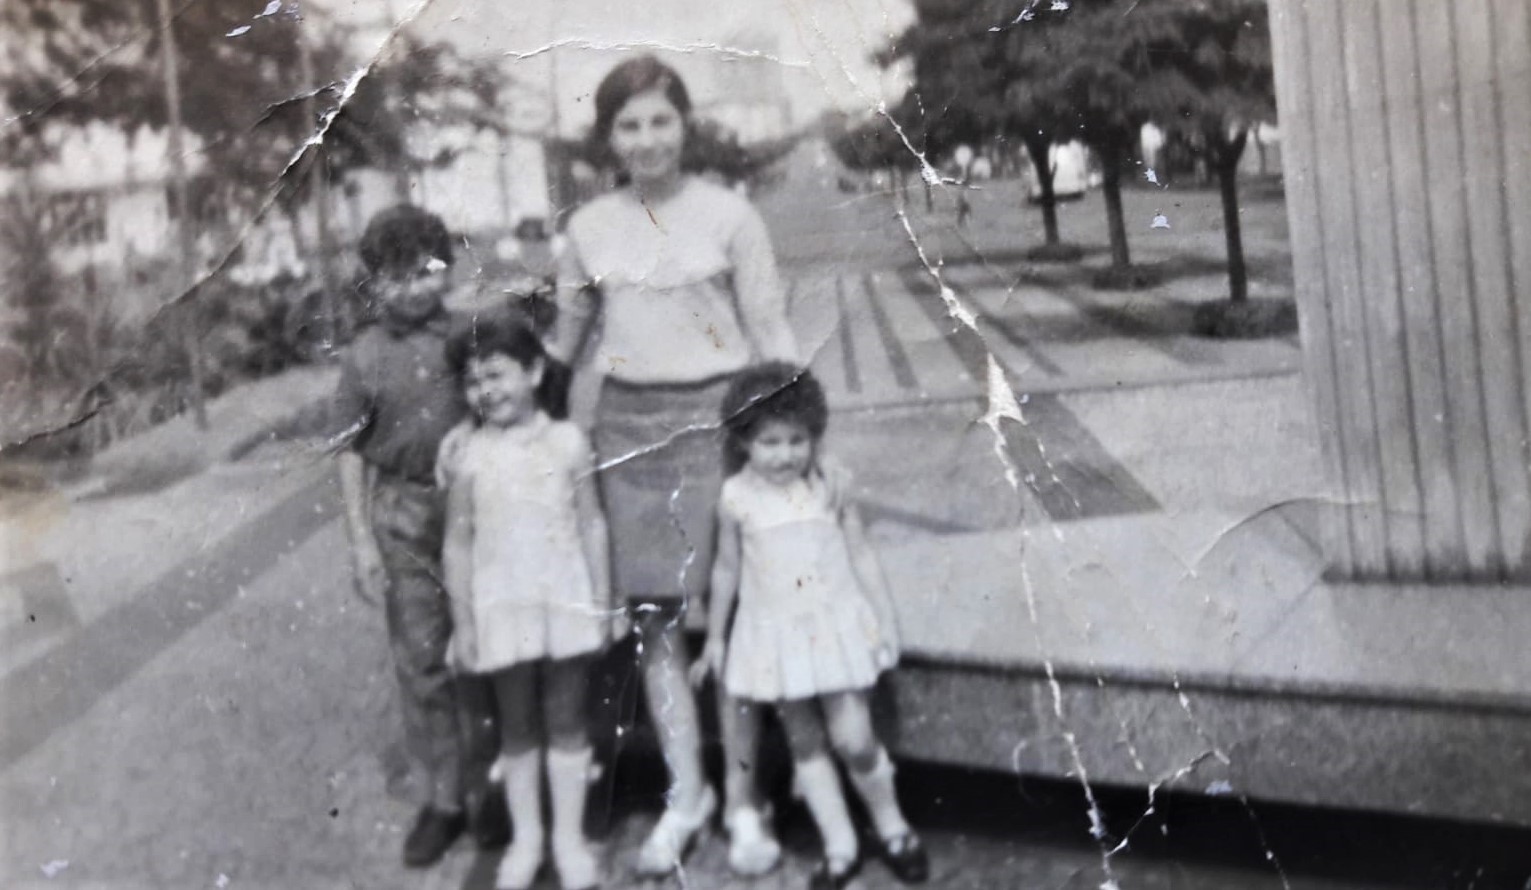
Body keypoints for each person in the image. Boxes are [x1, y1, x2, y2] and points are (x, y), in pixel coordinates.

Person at [549, 55, 799, 877]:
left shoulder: (731, 215)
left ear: (685, 126)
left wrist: (800, 439)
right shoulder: (587, 230)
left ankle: (743, 802)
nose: (647, 139)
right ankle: (684, 797)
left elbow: (770, 333)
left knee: (730, 622)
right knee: (654, 627)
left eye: (661, 120)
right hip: (627, 430)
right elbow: (561, 345)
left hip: (719, 423)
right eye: (629, 125)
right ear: (608, 137)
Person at [691, 364, 929, 890]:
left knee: (854, 737)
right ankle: (840, 844)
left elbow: (861, 553)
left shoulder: (829, 486)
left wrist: (884, 619)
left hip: (834, 631)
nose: (784, 454)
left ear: (814, 437)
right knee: (806, 744)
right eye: (769, 442)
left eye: (796, 440)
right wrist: (714, 638)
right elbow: (727, 569)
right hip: (774, 636)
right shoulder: (736, 497)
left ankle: (892, 828)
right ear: (744, 441)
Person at [325, 205, 506, 867]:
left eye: (425, 273)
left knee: (489, 650)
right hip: (401, 513)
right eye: (394, 278)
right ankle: (445, 799)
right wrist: (359, 542)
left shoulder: (473, 334)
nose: (412, 289)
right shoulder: (362, 357)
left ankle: (495, 789)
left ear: (447, 269)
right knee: (423, 662)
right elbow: (349, 454)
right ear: (374, 283)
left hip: (478, 506)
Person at [437, 312, 617, 890]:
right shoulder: (467, 455)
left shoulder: (569, 442)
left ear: (535, 371)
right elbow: (457, 543)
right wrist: (464, 623)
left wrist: (605, 599)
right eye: (472, 381)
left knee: (567, 719)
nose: (485, 390)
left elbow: (592, 523)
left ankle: (568, 840)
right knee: (515, 728)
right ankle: (528, 839)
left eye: (497, 374)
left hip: (563, 598)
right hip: (502, 604)